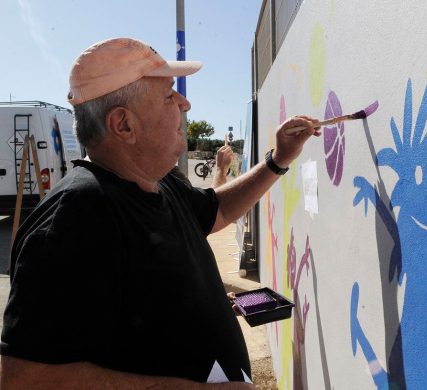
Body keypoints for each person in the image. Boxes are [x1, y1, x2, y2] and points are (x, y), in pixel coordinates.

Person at [0, 37, 320, 389]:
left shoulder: (161, 181)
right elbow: (25, 378)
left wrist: (278, 161)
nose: (185, 103)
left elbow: (216, 211)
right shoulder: (75, 218)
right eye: (169, 95)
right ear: (124, 125)